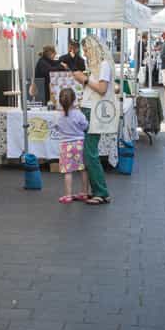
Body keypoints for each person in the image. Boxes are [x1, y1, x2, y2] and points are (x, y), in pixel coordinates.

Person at [72, 35, 114, 205]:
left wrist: (85, 79)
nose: (86, 54)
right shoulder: (98, 66)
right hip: (89, 110)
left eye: (87, 50)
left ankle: (101, 192)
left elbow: (102, 89)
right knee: (87, 153)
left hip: (94, 112)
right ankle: (90, 190)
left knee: (90, 153)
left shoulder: (103, 65)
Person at [53, 88, 91, 203]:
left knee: (68, 171)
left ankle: (68, 195)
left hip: (65, 145)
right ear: (74, 100)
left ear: (60, 101)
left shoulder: (58, 116)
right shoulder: (79, 114)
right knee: (83, 169)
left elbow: (56, 127)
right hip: (79, 143)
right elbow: (85, 126)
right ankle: (84, 193)